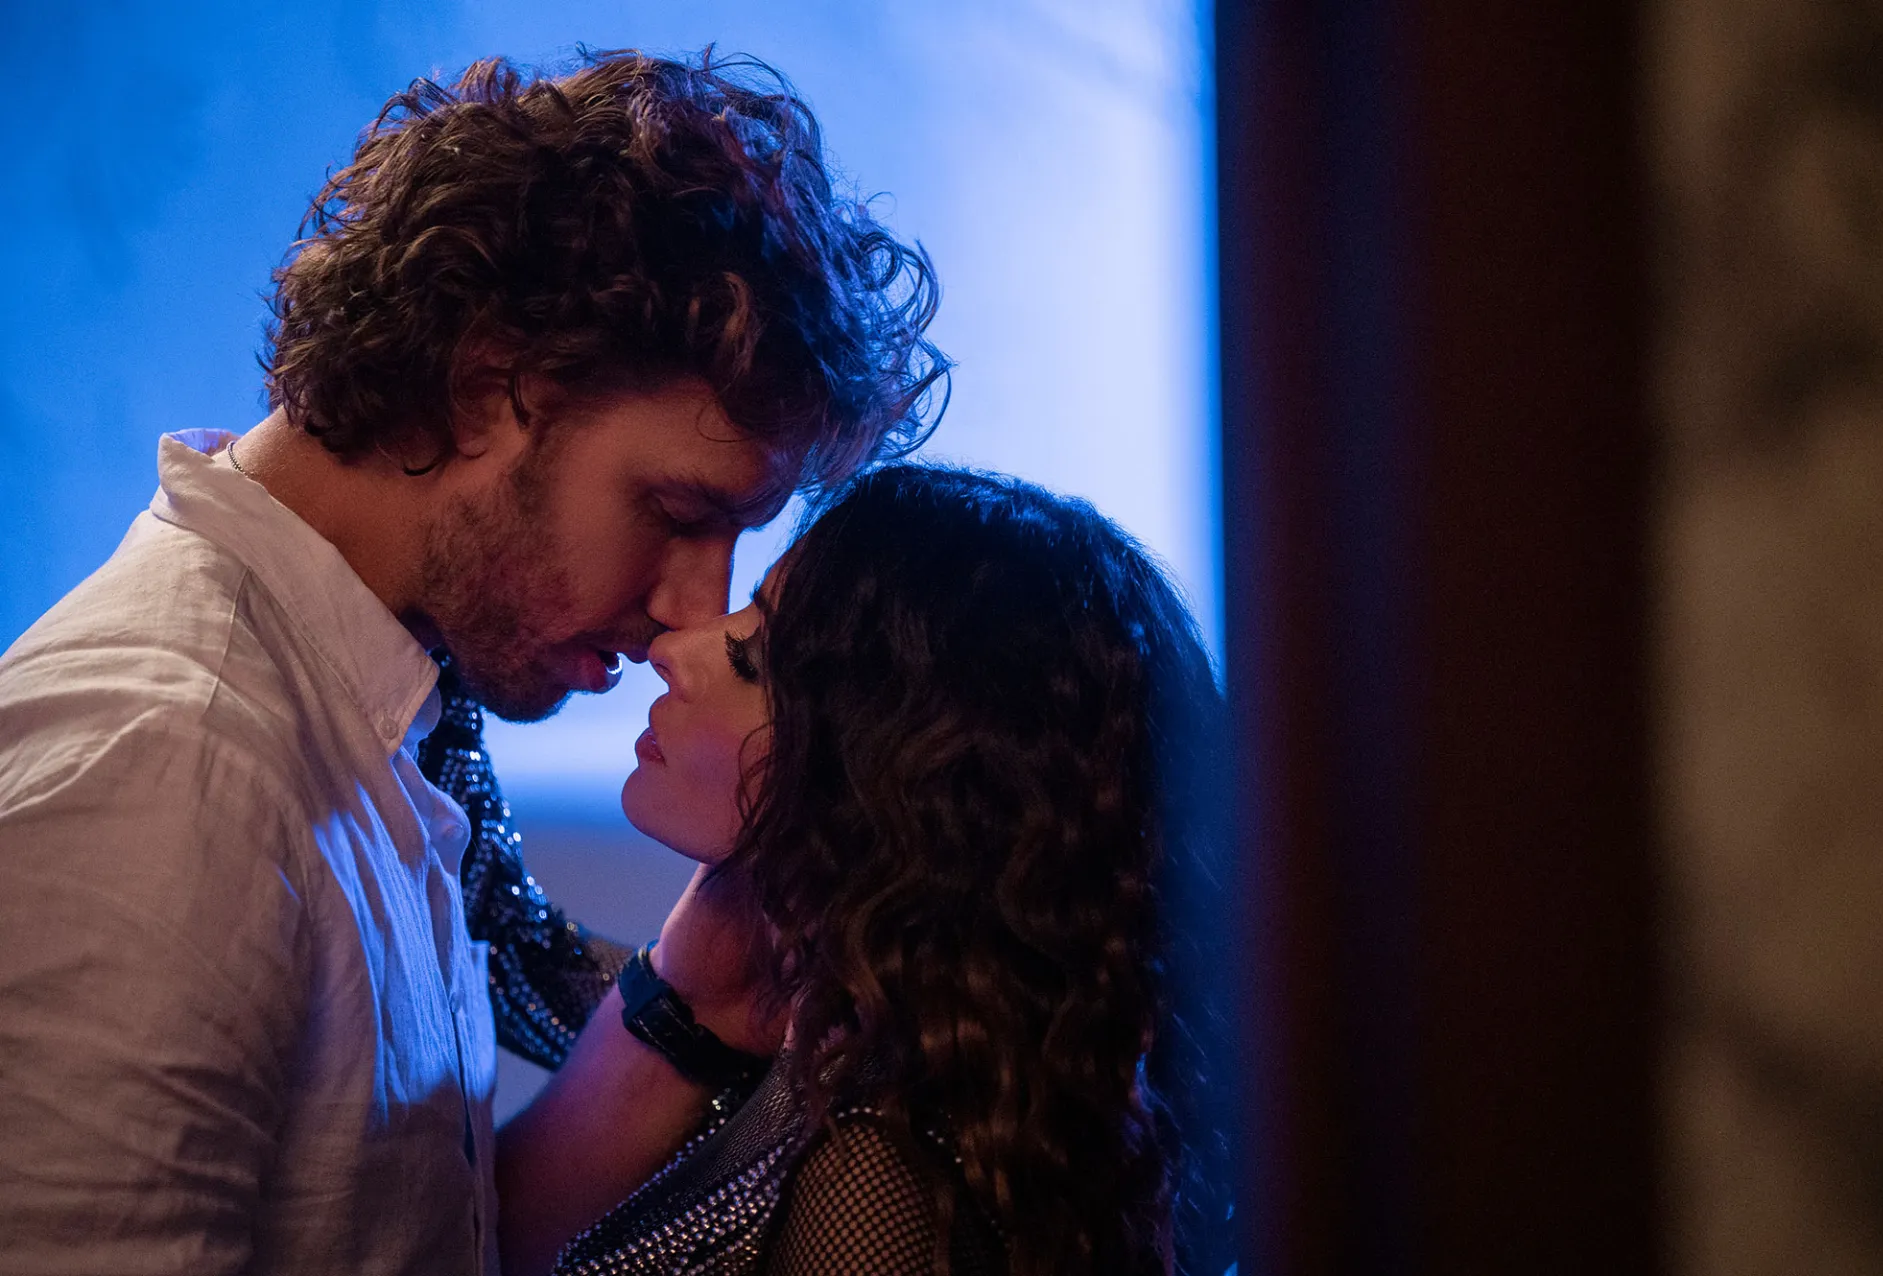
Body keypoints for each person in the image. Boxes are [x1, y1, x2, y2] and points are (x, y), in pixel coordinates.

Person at [0, 49, 945, 1275]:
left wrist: (691, 1006)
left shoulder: (372, 713)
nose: (691, 612)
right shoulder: (165, 765)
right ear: (487, 384)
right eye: (674, 511)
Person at [495, 466, 1235, 1276]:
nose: (672, 649)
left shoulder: (875, 1172)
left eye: (752, 658)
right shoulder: (900, 1070)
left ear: (895, 780)